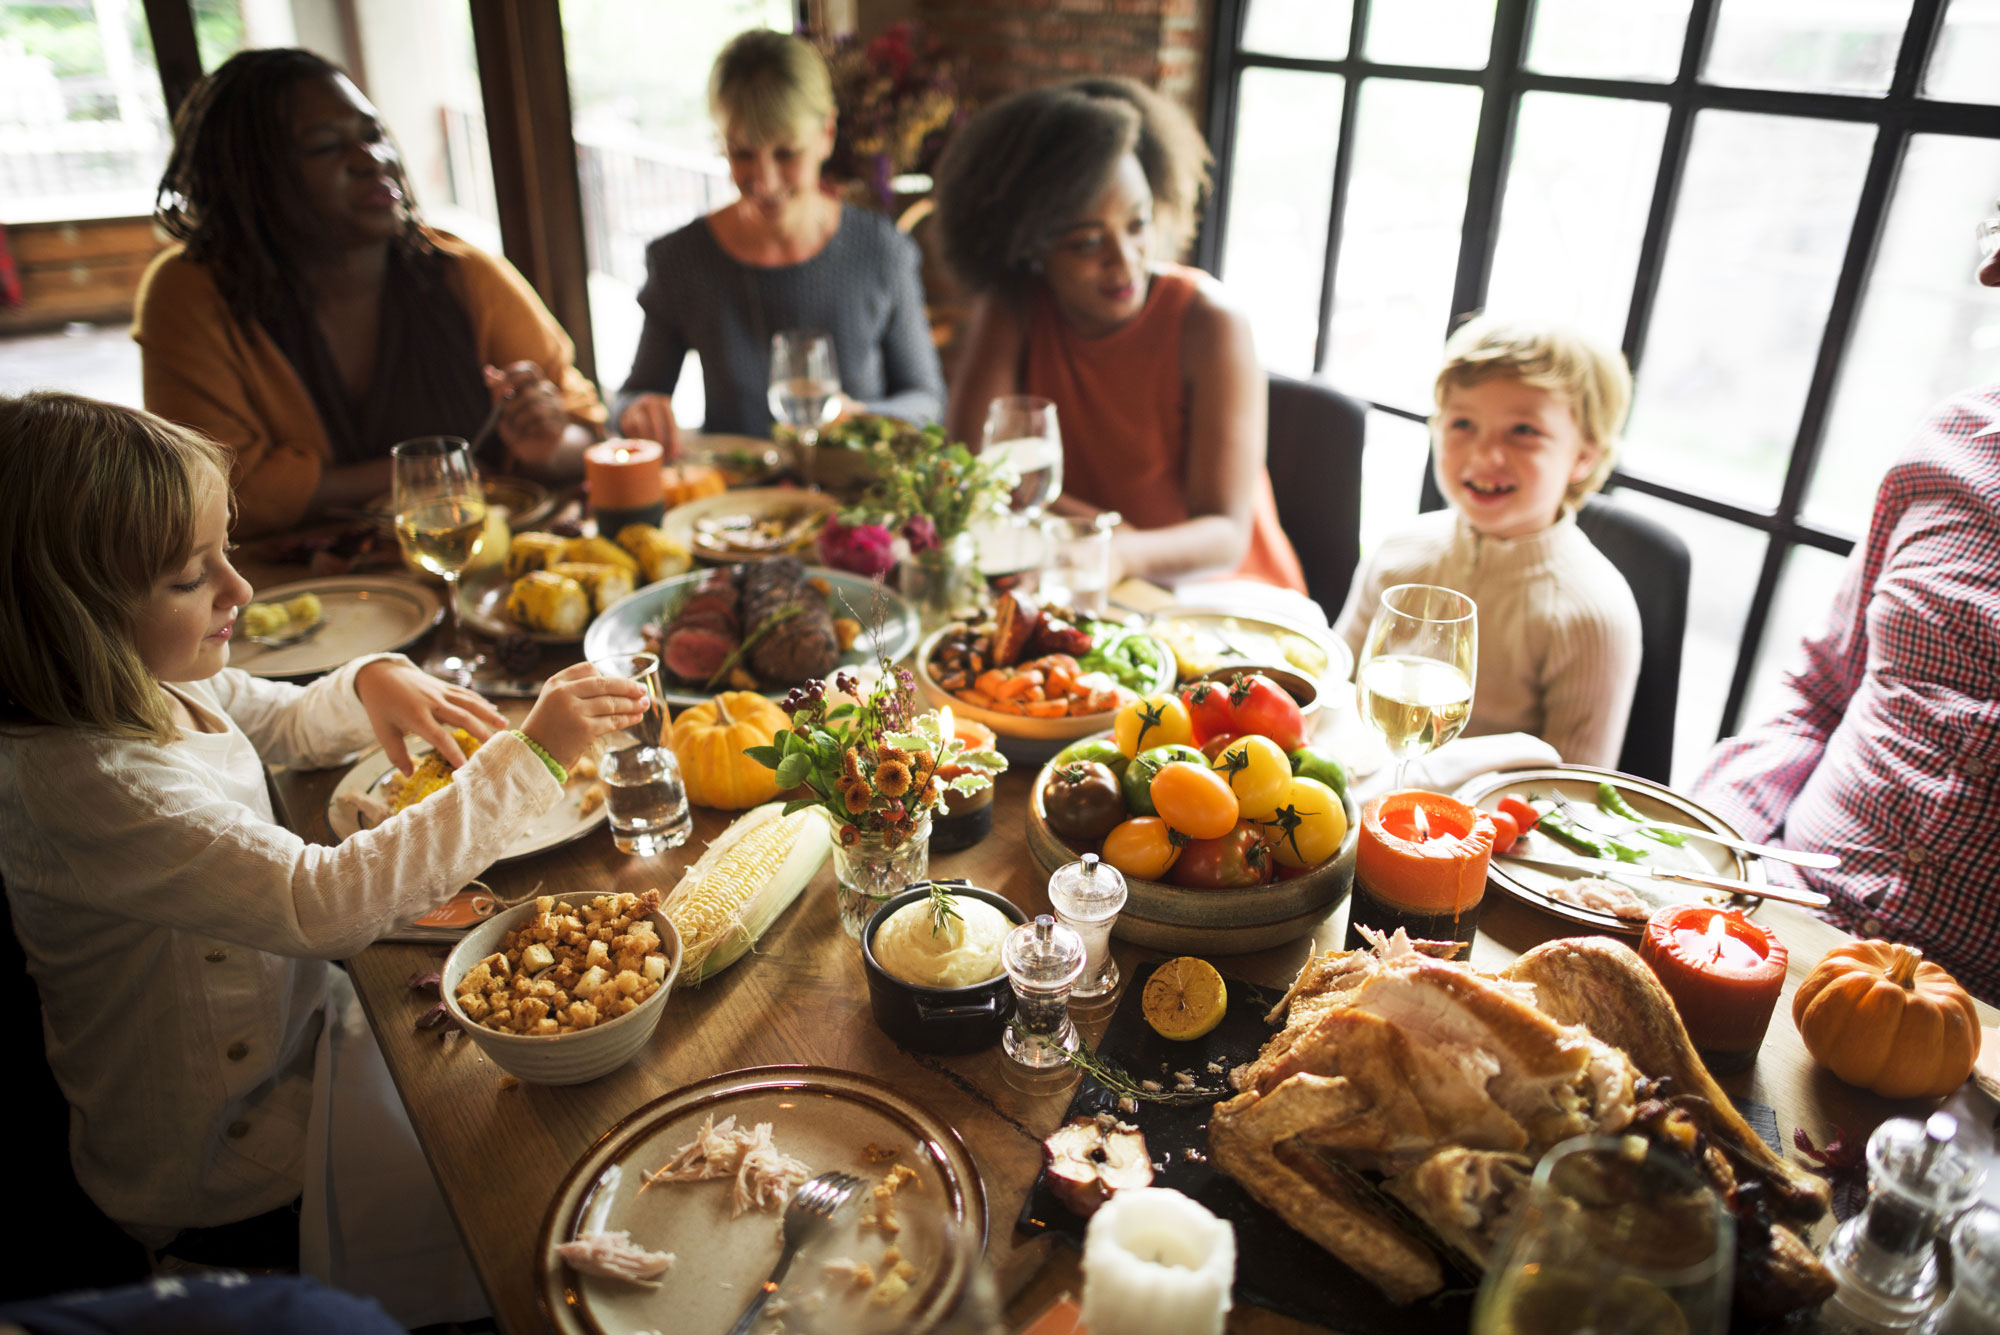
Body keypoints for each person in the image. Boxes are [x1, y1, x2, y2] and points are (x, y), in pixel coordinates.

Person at [0, 393, 647, 1324]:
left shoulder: (138, 678)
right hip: (229, 1162)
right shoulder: (88, 781)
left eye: (229, 550)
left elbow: (274, 715)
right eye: (193, 577)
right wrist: (531, 757)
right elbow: (323, 902)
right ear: (73, 616)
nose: (240, 589)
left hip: (300, 1053)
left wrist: (368, 677)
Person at [1691, 229, 2000, 1005]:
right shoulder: (1951, 441)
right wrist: (1716, 844)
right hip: (1773, 912)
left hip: (1975, 1031)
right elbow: (1821, 692)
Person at [135, 47, 606, 537]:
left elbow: (588, 437)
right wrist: (433, 471)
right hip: (301, 599)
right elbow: (211, 493)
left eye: (373, 134)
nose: (371, 160)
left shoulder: (463, 273)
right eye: (324, 146)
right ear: (250, 179)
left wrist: (549, 444)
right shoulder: (189, 293)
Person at [933, 78, 1304, 593]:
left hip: (1220, 599)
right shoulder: (1014, 307)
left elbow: (1226, 536)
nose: (1124, 259)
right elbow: (973, 463)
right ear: (1029, 247)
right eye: (1086, 243)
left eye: (1138, 223)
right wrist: (1096, 537)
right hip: (1083, 580)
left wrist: (1117, 548)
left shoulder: (1211, 322)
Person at [1332, 317, 1642, 769]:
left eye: (1523, 431)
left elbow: (1571, 792)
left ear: (1583, 456)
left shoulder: (1592, 615)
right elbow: (1338, 693)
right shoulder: (1398, 553)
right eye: (1463, 423)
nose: (1485, 454)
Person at [614, 29, 945, 451]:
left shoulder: (882, 250)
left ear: (826, 135)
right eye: (742, 153)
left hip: (854, 498)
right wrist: (637, 410)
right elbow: (631, 395)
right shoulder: (681, 259)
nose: (764, 181)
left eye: (787, 154)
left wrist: (863, 418)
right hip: (734, 508)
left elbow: (927, 402)